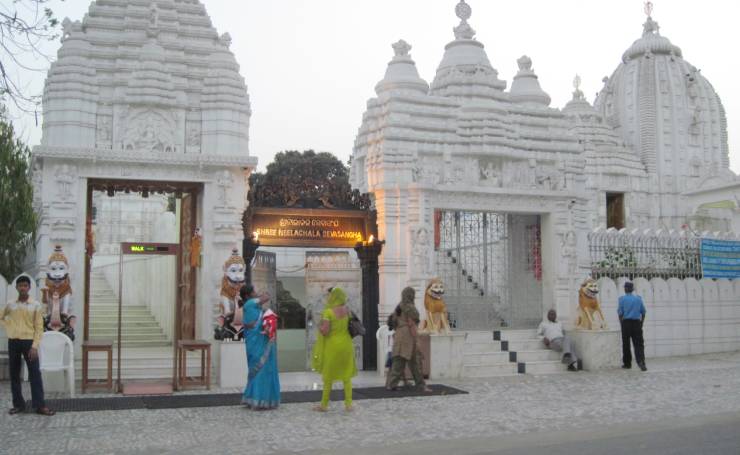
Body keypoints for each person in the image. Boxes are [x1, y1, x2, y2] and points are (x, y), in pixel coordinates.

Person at [1, 276, 55, 416]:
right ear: (17, 287)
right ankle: (18, 405)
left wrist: (35, 346)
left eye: (25, 285)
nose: (23, 288)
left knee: (35, 373)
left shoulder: (35, 305)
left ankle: (40, 405)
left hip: (29, 343)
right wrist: (9, 326)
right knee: (14, 374)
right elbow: (1, 316)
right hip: (14, 342)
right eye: (20, 286)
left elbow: (39, 327)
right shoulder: (11, 304)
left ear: (29, 288)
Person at [311, 287, 357, 412]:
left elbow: (325, 331)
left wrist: (319, 327)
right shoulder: (347, 310)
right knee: (346, 376)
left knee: (328, 376)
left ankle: (324, 405)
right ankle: (348, 404)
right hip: (346, 345)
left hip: (333, 346)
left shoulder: (328, 312)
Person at [240, 285, 280, 410]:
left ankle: (253, 398)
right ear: (247, 295)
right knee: (262, 369)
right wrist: (263, 294)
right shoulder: (250, 303)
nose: (255, 292)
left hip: (256, 341)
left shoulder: (251, 306)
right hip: (258, 342)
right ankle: (259, 399)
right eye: (253, 291)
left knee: (256, 370)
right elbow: (266, 297)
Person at [386, 287, 432, 392]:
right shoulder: (409, 307)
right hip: (408, 336)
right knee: (415, 362)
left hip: (398, 335)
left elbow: (393, 322)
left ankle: (391, 384)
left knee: (398, 361)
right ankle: (421, 385)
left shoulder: (399, 307)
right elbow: (411, 324)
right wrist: (416, 339)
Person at [618, 281, 647, 371]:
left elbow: (620, 313)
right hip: (637, 323)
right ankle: (641, 362)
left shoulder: (622, 299)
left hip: (626, 323)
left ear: (625, 289)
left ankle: (627, 363)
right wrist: (641, 323)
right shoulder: (638, 299)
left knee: (626, 344)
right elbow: (643, 312)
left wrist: (621, 324)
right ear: (632, 289)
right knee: (639, 344)